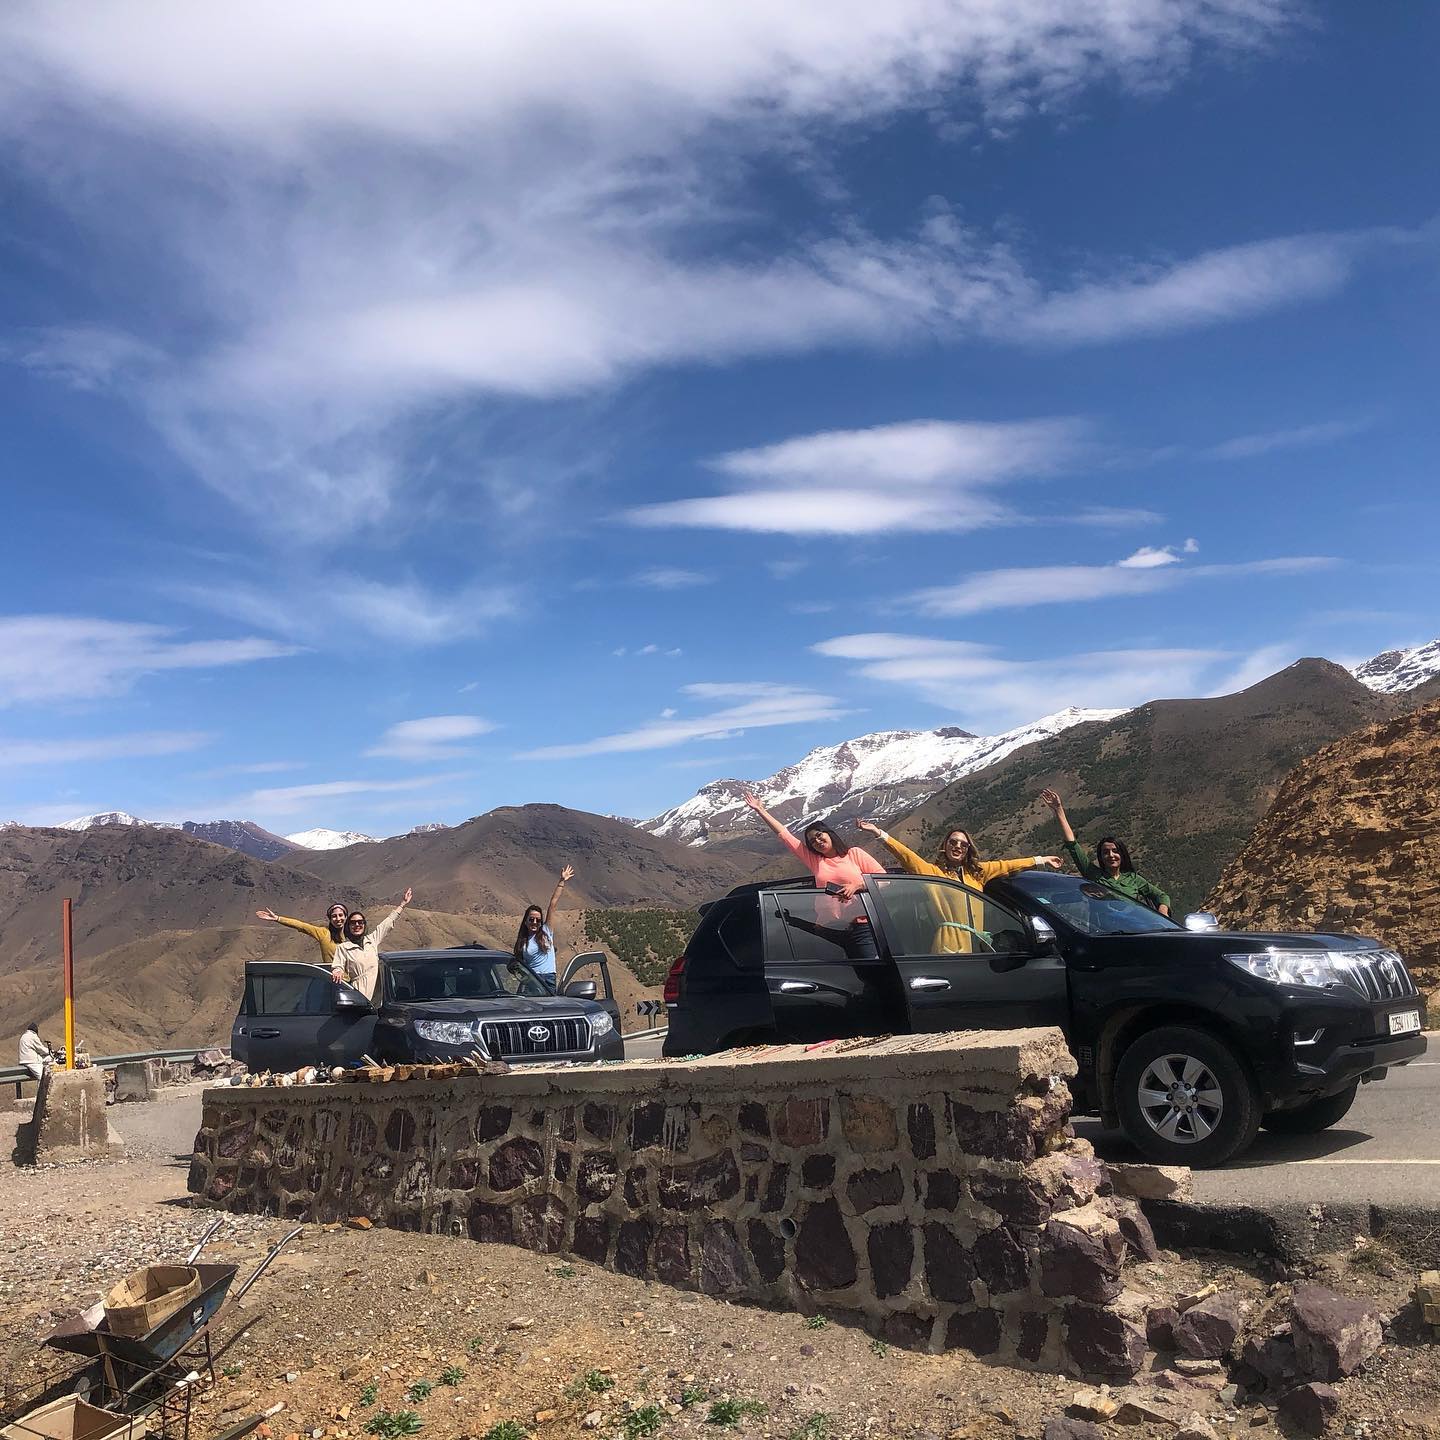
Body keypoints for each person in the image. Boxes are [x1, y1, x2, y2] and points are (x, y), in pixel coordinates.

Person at [856, 819, 1064, 953]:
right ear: (945, 846)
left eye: (963, 844)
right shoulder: (933, 873)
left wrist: (1041, 860)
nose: (957, 846)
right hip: (949, 946)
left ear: (968, 849)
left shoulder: (977, 873)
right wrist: (878, 833)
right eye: (953, 842)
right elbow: (906, 856)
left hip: (980, 946)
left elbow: (1007, 865)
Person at [743, 794, 887, 957]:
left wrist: (857, 886)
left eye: (819, 835)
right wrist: (761, 810)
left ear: (829, 834)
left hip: (861, 926)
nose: (817, 841)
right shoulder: (816, 861)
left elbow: (883, 879)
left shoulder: (854, 854)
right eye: (812, 841)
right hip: (828, 928)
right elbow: (785, 835)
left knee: (871, 968)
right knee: (835, 972)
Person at [1040, 788, 1171, 916]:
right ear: (1101, 856)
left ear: (1122, 854)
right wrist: (1058, 809)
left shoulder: (1133, 879)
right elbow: (1072, 844)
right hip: (1104, 929)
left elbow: (1162, 896)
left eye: (1115, 851)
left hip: (1132, 928)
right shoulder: (1093, 874)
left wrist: (1163, 914)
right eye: (1106, 852)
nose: (1111, 855)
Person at [331, 888, 413, 1000]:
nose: (357, 925)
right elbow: (337, 966)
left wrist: (402, 904)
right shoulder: (343, 947)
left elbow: (387, 924)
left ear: (364, 925)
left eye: (360, 922)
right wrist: (337, 971)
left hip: (379, 996)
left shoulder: (372, 940)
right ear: (348, 926)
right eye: (353, 923)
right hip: (359, 994)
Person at [514, 865, 574, 984]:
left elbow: (552, 905)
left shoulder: (546, 931)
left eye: (538, 920)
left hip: (548, 979)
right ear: (525, 921)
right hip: (531, 980)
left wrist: (561, 881)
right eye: (531, 919)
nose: (534, 922)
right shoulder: (522, 941)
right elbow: (517, 964)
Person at [254, 901, 349, 967]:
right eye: (334, 916)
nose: (338, 919)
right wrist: (278, 918)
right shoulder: (324, 934)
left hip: (353, 983)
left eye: (341, 915)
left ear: (346, 917)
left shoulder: (352, 936)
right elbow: (301, 925)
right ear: (330, 919)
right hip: (335, 981)